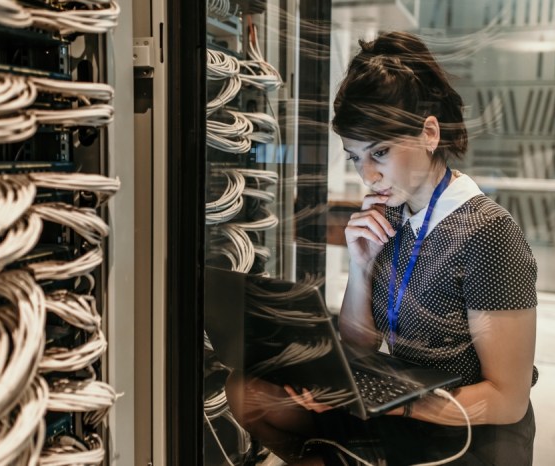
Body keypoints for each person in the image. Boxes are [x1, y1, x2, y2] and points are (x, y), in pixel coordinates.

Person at [225, 31, 538, 465]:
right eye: (356, 157)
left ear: (429, 133)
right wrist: (362, 263)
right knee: (247, 392)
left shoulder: (487, 233)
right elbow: (360, 344)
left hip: (467, 429)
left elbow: (508, 400)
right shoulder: (390, 213)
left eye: (381, 152)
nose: (368, 175)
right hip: (402, 402)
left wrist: (389, 401)